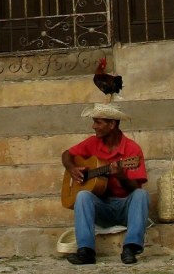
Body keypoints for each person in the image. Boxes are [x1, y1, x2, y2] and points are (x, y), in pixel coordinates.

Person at [61, 103, 149, 265]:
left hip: (125, 208)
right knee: (82, 195)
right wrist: (72, 169)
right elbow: (66, 155)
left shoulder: (132, 149)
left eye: (98, 122)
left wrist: (121, 176)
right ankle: (86, 251)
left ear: (112, 124)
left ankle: (130, 247)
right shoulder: (91, 143)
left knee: (141, 194)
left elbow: (134, 189)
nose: (93, 126)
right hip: (101, 207)